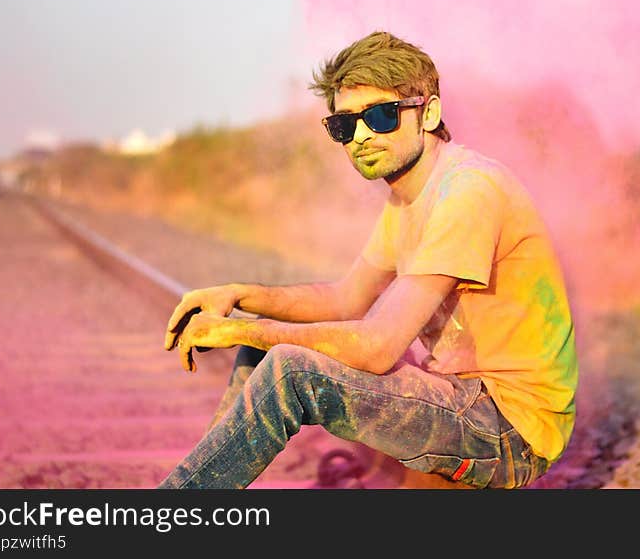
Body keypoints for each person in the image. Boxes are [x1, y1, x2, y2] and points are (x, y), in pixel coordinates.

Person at [159, 31, 578, 489]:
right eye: (344, 125)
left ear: (429, 112)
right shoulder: (408, 197)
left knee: (290, 371)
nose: (360, 136)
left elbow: (378, 347)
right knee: (262, 349)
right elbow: (345, 300)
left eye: (380, 116)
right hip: (464, 402)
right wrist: (240, 297)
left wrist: (236, 326)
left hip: (506, 427)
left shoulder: (468, 192)